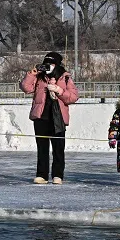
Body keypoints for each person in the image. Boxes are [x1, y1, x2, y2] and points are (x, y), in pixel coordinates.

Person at [19, 52, 79, 184]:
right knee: (42, 148)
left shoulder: (65, 77)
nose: (48, 66)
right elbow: (26, 88)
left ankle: (58, 175)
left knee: (58, 148)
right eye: (46, 63)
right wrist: (32, 74)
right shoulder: (39, 77)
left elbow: (74, 96)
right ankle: (42, 175)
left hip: (58, 117)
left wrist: (59, 90)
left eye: (51, 63)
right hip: (41, 117)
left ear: (57, 64)